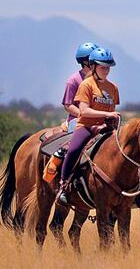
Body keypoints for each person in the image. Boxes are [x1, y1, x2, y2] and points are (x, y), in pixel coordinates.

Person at [57, 46, 123, 207]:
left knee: (125, 149)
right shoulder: (86, 85)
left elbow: (111, 110)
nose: (106, 70)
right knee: (73, 150)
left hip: (105, 128)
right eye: (102, 67)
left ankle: (135, 189)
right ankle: (63, 186)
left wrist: (112, 119)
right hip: (86, 127)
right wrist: (106, 115)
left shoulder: (113, 88)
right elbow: (83, 111)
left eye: (108, 67)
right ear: (93, 66)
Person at [62, 42, 97, 132]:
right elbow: (68, 105)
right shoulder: (73, 80)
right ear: (85, 62)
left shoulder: (100, 79)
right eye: (95, 60)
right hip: (77, 120)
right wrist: (85, 115)